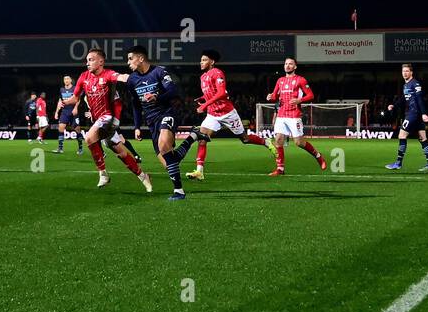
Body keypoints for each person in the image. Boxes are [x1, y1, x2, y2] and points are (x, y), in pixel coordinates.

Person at [66, 49, 152, 193]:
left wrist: (136, 78)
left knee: (89, 137)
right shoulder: (83, 77)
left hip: (109, 117)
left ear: (101, 61)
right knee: (121, 153)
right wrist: (67, 101)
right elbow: (75, 98)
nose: (88, 63)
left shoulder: (108, 75)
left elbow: (122, 77)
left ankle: (103, 174)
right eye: (87, 60)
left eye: (91, 59)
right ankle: (143, 177)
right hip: (98, 120)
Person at [124, 45, 199, 201]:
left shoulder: (159, 72)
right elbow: (136, 105)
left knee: (164, 146)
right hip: (151, 122)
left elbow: (173, 91)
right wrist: (137, 127)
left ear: (141, 58)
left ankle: (179, 191)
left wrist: (156, 96)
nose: (128, 62)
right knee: (170, 161)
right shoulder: (132, 80)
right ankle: (193, 136)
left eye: (131, 58)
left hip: (167, 115)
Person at [186, 49, 273, 181]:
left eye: (204, 60)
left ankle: (265, 141)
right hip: (212, 114)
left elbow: (221, 93)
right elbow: (211, 92)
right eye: (201, 60)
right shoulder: (203, 77)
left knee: (245, 139)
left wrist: (204, 105)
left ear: (212, 62)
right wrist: (202, 98)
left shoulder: (217, 73)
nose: (201, 62)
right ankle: (199, 171)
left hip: (227, 113)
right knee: (202, 138)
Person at [264, 56, 327, 176]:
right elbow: (275, 95)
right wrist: (270, 96)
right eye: (286, 64)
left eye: (290, 64)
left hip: (294, 115)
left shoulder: (300, 80)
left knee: (299, 142)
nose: (287, 66)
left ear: (295, 66)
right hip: (282, 114)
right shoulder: (280, 80)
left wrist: (299, 100)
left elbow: (311, 95)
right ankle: (280, 169)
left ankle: (318, 156)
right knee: (278, 140)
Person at [385, 64, 428, 172]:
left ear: (411, 72)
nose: (405, 73)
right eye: (403, 71)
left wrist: (424, 113)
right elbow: (403, 99)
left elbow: (419, 99)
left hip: (413, 114)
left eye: (407, 71)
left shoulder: (415, 83)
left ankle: (398, 163)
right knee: (423, 138)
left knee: (402, 135)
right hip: (416, 115)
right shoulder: (406, 85)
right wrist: (394, 105)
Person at [54, 75, 84, 154]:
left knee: (77, 129)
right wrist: (57, 112)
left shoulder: (74, 88)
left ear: (71, 80)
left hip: (73, 111)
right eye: (64, 79)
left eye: (67, 79)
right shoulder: (62, 89)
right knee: (60, 128)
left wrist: (76, 108)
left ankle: (80, 148)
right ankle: (60, 148)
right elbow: (60, 101)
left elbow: (78, 99)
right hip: (65, 111)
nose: (66, 80)